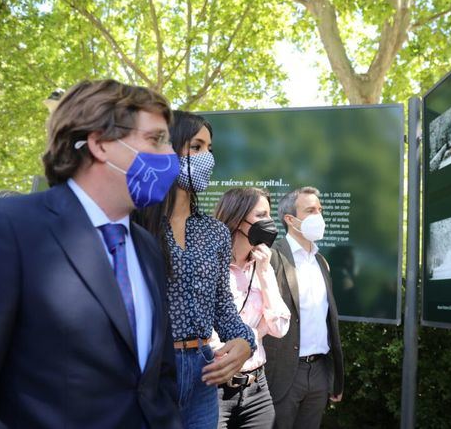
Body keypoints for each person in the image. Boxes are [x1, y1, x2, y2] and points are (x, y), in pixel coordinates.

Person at [0, 79, 182, 428]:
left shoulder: (146, 247)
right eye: (155, 139)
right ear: (100, 144)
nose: (170, 155)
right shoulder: (3, 229)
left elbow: (156, 382)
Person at [135, 110, 255, 429]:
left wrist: (244, 342)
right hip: (149, 373)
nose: (208, 158)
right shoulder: (134, 226)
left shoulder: (214, 232)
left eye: (210, 149)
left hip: (204, 370)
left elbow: (221, 305)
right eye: (197, 147)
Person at [263, 186, 344, 429]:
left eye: (320, 209)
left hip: (319, 372)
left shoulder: (321, 261)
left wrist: (334, 377)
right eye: (310, 210)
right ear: (290, 219)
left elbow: (328, 320)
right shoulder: (272, 257)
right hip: (284, 373)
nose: (319, 216)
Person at [212, 187, 290, 428]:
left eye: (269, 215)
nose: (269, 223)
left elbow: (279, 326)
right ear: (237, 218)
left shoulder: (264, 264)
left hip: (257, 387)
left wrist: (266, 271)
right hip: (215, 390)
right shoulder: (211, 264)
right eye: (261, 215)